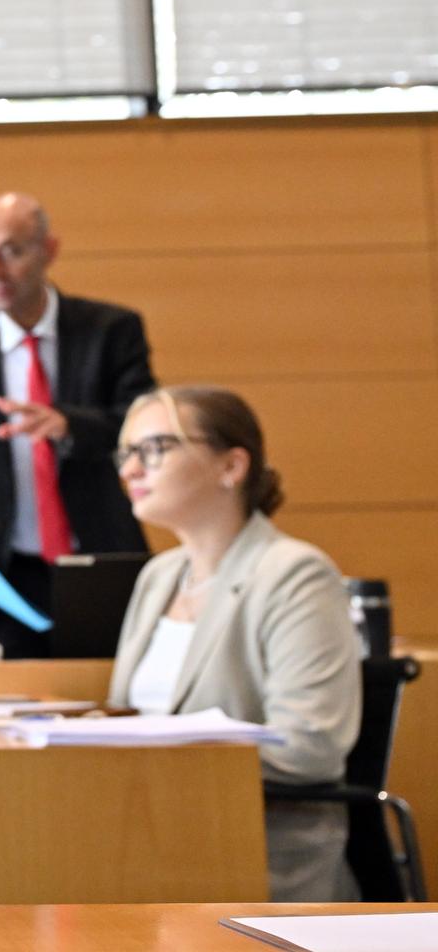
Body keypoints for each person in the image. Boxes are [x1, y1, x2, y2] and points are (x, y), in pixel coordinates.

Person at [105, 386, 360, 902]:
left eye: (154, 449)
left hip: (258, 859)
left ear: (231, 466)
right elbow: (125, 717)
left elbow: (310, 748)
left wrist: (164, 751)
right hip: (148, 844)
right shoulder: (159, 576)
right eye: (126, 454)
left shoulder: (293, 573)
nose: (131, 470)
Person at [0, 192, 155, 658]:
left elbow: (145, 430)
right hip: (3, 573)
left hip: (98, 558)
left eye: (11, 251)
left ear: (48, 250)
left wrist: (70, 426)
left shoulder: (112, 331)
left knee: (112, 704)